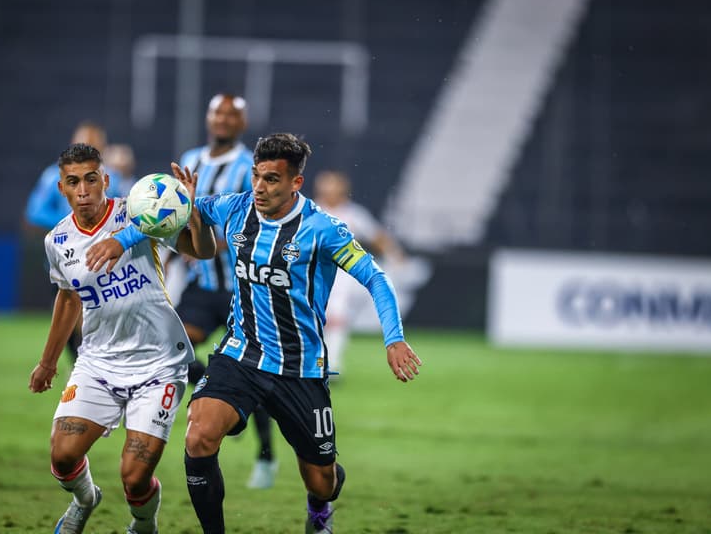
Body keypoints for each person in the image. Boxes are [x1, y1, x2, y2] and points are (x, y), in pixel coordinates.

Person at [85, 133, 423, 534]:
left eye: (272, 180)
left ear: (296, 182)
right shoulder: (236, 207)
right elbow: (171, 213)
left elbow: (376, 278)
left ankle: (320, 508)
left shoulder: (323, 229)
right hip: (240, 354)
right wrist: (120, 240)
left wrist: (394, 338)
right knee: (198, 436)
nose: (260, 188)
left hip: (300, 368)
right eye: (257, 176)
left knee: (323, 482)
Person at [28, 143, 215, 534]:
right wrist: (47, 362)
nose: (83, 191)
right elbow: (68, 298)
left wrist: (190, 211)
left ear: (105, 181)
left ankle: (144, 524)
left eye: (91, 180)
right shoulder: (57, 242)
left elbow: (202, 250)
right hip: (98, 362)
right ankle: (85, 499)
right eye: (73, 183)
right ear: (62, 188)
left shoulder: (138, 212)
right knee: (62, 457)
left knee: (134, 477)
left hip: (159, 364)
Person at [174, 93, 279, 489]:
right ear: (208, 117)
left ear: (242, 123)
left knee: (257, 372)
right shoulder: (192, 159)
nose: (223, 119)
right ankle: (215, 386)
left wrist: (211, 241)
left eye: (232, 114)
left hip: (245, 290)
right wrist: (176, 245)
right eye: (218, 112)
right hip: (202, 287)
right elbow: (180, 215)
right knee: (174, 347)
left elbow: (257, 219)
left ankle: (266, 456)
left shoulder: (249, 168)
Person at [22, 121, 121, 362]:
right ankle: (82, 373)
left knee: (98, 326)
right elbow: (34, 213)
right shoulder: (52, 177)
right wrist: (73, 221)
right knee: (71, 325)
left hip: (104, 264)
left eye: (93, 145)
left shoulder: (112, 178)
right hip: (68, 262)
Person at [313, 170, 406, 377]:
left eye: (333, 188)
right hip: (310, 271)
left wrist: (393, 254)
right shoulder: (310, 210)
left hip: (342, 273)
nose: (328, 192)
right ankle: (312, 362)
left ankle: (332, 364)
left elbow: (377, 236)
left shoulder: (353, 214)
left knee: (336, 315)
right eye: (325, 187)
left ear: (343, 191)